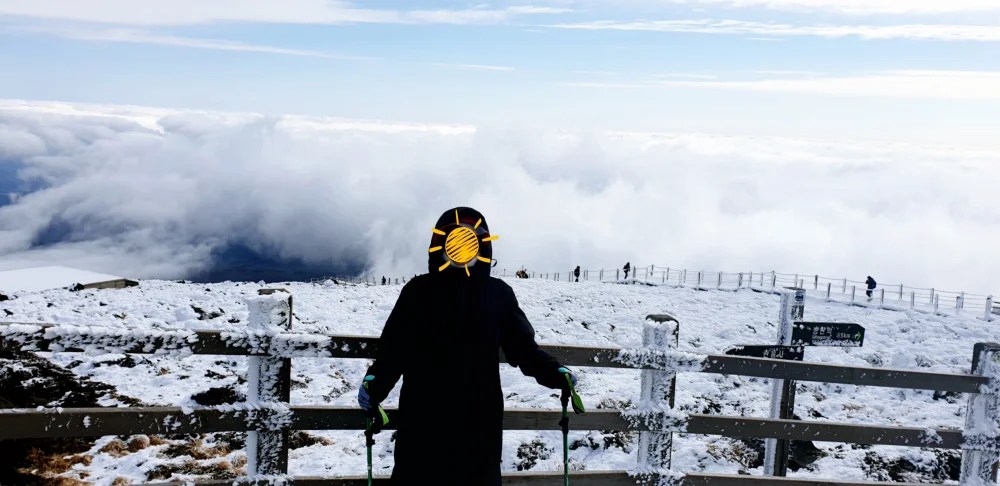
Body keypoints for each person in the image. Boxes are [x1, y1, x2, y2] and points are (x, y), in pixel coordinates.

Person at [357, 207, 581, 485]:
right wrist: (376, 385)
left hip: (466, 425)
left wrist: (553, 372)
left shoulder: (493, 294)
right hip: (432, 423)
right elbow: (394, 350)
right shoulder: (420, 293)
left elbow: (523, 349)